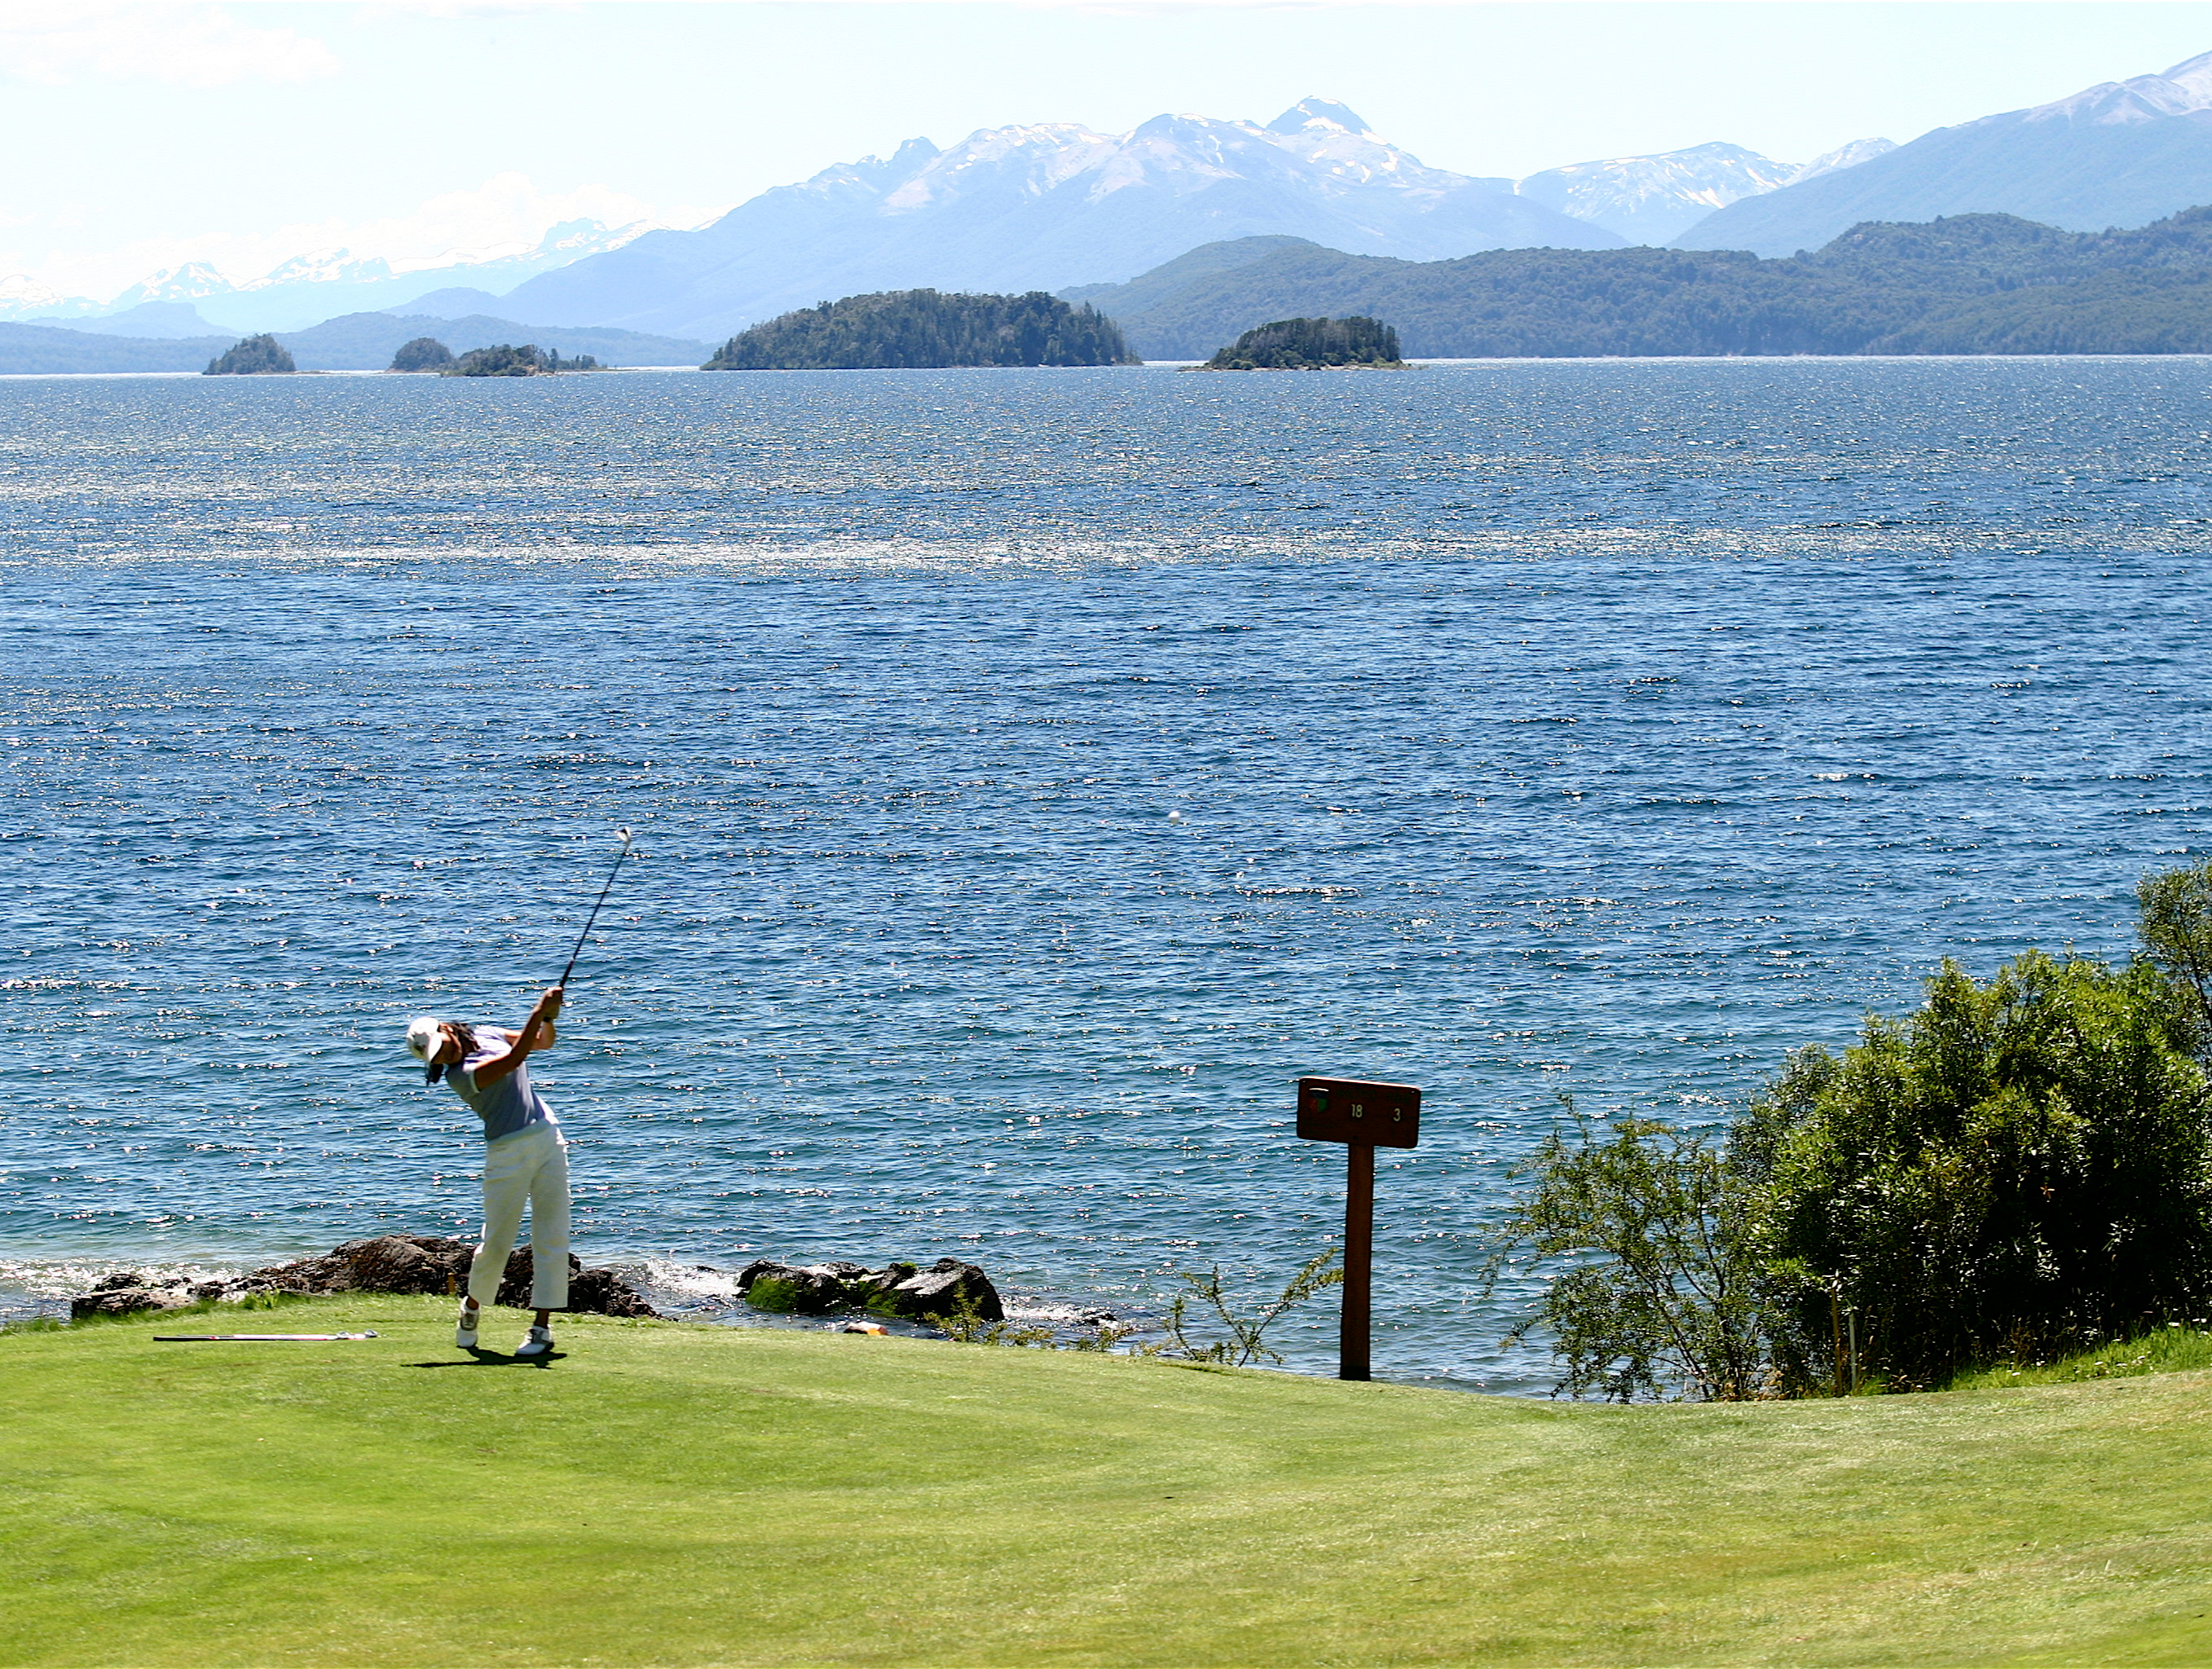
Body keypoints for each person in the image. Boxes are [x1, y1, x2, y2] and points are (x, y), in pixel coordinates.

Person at [404, 985, 571, 1356]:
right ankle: (472, 1306)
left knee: (552, 1235)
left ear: (446, 1028)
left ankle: (541, 1329)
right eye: (436, 1055)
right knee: (498, 1240)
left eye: (442, 1045)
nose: (445, 1054)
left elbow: (541, 1043)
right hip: (507, 1152)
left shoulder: (488, 1033)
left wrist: (548, 1018)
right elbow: (514, 1060)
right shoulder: (460, 1076)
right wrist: (538, 1011)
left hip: (548, 1138)